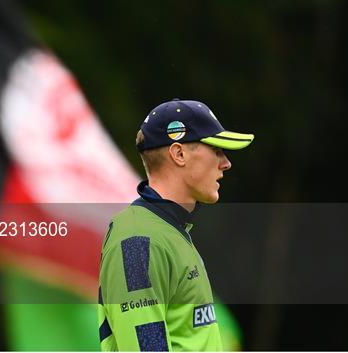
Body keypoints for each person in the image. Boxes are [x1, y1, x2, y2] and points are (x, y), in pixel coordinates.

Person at [98, 98, 254, 351]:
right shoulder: (138, 238)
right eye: (216, 150)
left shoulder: (168, 231)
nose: (226, 163)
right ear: (179, 154)